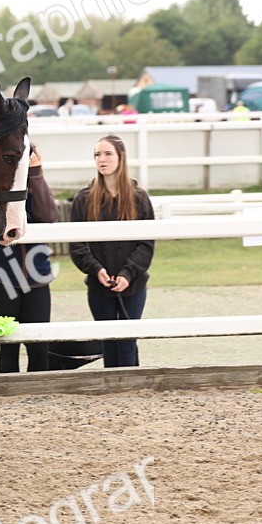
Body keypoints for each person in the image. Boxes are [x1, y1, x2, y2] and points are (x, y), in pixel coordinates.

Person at [68, 134, 154, 368]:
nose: (102, 159)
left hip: (133, 284)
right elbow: (76, 244)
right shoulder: (84, 198)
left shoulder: (139, 198)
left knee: (127, 340)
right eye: (97, 154)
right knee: (108, 340)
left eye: (108, 154)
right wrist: (96, 270)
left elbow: (146, 244)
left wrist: (128, 273)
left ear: (120, 158)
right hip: (99, 284)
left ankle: (130, 387)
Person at [0, 144, 57, 373]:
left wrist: (36, 174)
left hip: (36, 276)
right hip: (3, 278)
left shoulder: (37, 185)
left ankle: (39, 392)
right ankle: (6, 393)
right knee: (7, 344)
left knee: (39, 345)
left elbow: (48, 216)